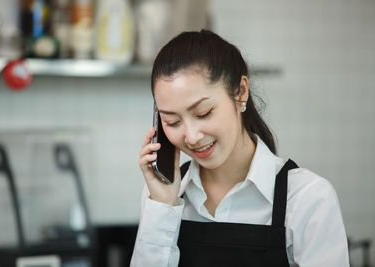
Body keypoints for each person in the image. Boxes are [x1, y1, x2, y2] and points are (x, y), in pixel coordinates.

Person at [131, 30, 349, 267]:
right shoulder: (164, 197)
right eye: (172, 122)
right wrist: (162, 207)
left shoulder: (307, 198)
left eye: (203, 113)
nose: (192, 137)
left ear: (240, 92)